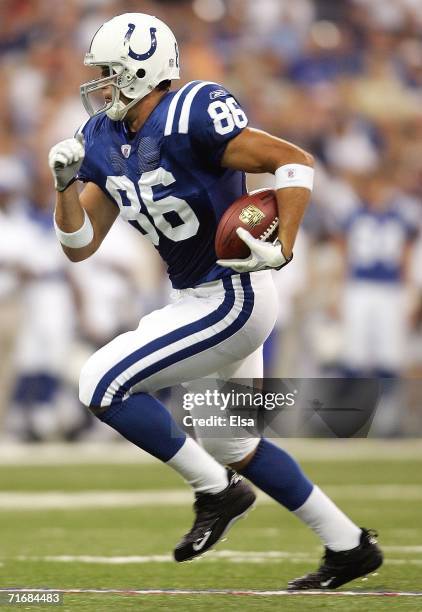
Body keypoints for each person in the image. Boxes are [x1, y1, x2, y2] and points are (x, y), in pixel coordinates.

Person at [48, 13, 382, 589]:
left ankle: (217, 493)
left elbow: (293, 161)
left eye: (108, 73)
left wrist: (285, 244)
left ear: (141, 72)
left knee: (101, 382)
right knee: (231, 441)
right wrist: (63, 189)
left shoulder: (194, 111)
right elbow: (79, 245)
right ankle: (348, 545)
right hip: (194, 298)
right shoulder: (103, 139)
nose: (98, 85)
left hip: (231, 295)